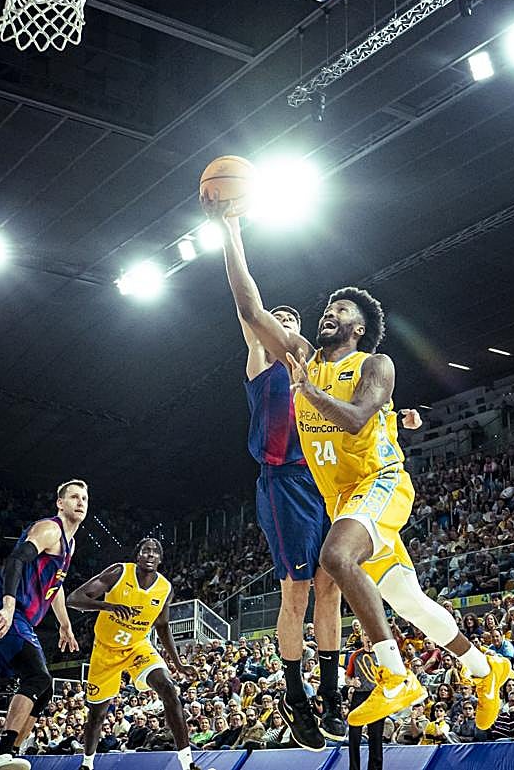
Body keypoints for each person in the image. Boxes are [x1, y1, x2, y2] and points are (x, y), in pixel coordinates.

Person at [208, 202, 513, 733]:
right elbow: (251, 307)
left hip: (380, 483)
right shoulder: (301, 357)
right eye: (328, 306)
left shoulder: (375, 364)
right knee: (409, 601)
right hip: (341, 498)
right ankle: (484, 669)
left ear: (360, 327)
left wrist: (309, 393)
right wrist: (229, 227)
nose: (330, 311)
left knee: (334, 557)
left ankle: (395, 676)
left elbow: (354, 420)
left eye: (342, 309)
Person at [214, 210, 343, 750]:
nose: (281, 324)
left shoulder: (316, 372)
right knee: (297, 593)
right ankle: (295, 697)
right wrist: (232, 232)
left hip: (324, 482)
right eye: (275, 319)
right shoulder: (259, 363)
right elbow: (247, 300)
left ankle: (331, 694)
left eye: (291, 319)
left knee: (331, 585)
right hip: (282, 483)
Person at [0, 479, 88, 770]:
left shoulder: (70, 544)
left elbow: (56, 585)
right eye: (74, 497)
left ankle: (11, 754)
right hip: (5, 611)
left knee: (45, 689)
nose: (80, 502)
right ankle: (2, 754)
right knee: (37, 678)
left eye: (84, 498)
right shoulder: (49, 529)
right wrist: (8, 606)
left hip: (23, 618)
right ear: (60, 503)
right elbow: (16, 561)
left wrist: (65, 625)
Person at [66, 538, 200, 770]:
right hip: (105, 650)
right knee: (97, 714)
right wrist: (108, 606)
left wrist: (178, 664)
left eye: (155, 551)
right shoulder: (119, 573)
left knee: (168, 689)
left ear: (160, 559)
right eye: (146, 550)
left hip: (137, 646)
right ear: (138, 555)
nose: (150, 554)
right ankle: (87, 764)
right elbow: (74, 599)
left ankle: (188, 763)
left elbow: (162, 625)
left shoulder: (165, 588)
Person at [345, 631, 383, 770]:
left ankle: (375, 767)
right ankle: (354, 767)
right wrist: (352, 682)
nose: (368, 638)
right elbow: (347, 677)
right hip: (359, 695)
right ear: (362, 637)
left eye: (370, 634)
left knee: (376, 735)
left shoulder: (381, 654)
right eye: (365, 635)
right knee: (354, 734)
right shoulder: (355, 655)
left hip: (377, 696)